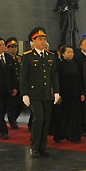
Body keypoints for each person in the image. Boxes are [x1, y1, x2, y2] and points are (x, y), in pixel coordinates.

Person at [20, 27, 60, 158]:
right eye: (40, 39)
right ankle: (34, 146)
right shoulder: (27, 57)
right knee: (39, 119)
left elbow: (53, 76)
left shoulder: (50, 56)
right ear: (34, 41)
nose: (43, 42)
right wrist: (24, 94)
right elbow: (23, 77)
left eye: (44, 39)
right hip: (34, 94)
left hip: (47, 94)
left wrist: (56, 91)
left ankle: (43, 147)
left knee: (46, 120)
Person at [55, 46, 84, 143]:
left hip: (75, 92)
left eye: (72, 52)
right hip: (64, 92)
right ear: (62, 54)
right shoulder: (59, 65)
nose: (71, 54)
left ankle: (74, 135)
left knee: (75, 114)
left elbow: (79, 79)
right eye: (68, 52)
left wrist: (81, 93)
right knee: (63, 114)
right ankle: (60, 135)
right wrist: (58, 94)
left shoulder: (75, 64)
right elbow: (57, 80)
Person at [5, 37, 23, 129]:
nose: (14, 49)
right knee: (11, 105)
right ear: (7, 48)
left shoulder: (20, 58)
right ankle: (12, 121)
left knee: (21, 104)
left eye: (15, 46)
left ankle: (13, 118)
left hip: (20, 86)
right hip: (11, 86)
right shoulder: (6, 59)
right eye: (11, 47)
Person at [74, 38, 86, 135]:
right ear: (81, 46)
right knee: (82, 110)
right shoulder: (78, 57)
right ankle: (82, 128)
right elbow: (78, 75)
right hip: (82, 86)